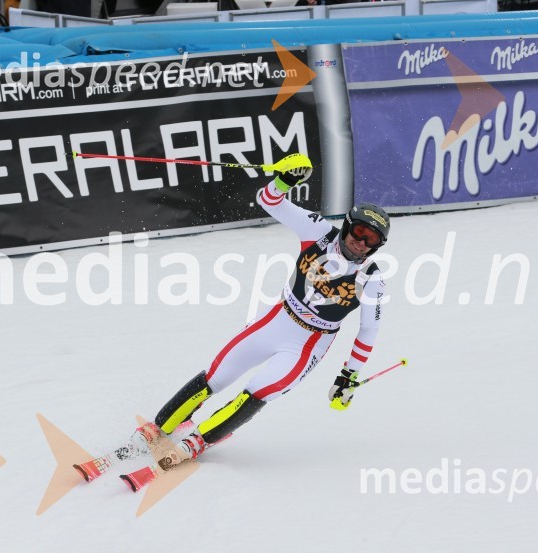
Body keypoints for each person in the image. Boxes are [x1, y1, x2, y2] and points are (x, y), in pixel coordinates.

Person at [150, 152, 390, 469]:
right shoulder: (318, 231)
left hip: (307, 345)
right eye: (359, 232)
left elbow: (368, 331)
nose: (361, 243)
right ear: (347, 226)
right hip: (276, 320)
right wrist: (284, 181)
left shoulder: (372, 280)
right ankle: (158, 429)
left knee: (257, 391)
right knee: (217, 377)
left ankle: (198, 441)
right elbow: (269, 200)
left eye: (371, 240)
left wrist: (349, 375)